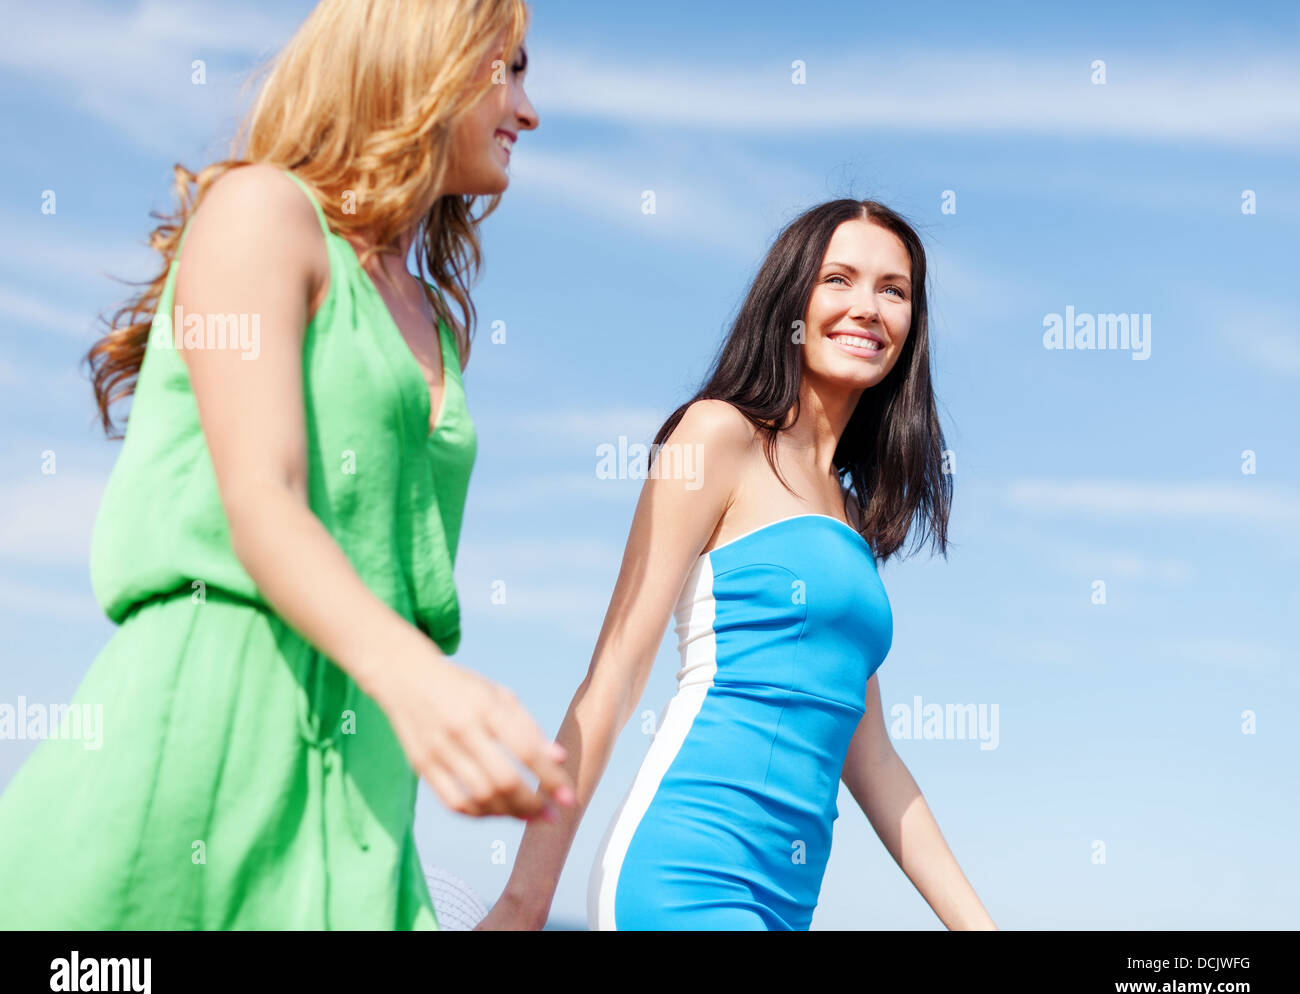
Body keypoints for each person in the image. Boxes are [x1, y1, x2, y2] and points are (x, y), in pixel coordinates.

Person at [0, 0, 573, 930]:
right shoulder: (264, 212)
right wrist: (421, 682)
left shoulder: (435, 319)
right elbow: (261, 501)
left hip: (367, 781)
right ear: (421, 59)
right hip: (209, 733)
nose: (529, 107)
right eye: (506, 67)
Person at [478, 199, 996, 930]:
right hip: (683, 874)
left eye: (894, 290)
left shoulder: (847, 516)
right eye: (838, 279)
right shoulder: (719, 435)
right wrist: (523, 900)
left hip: (783, 902)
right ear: (792, 298)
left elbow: (873, 759)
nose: (867, 307)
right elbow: (616, 675)